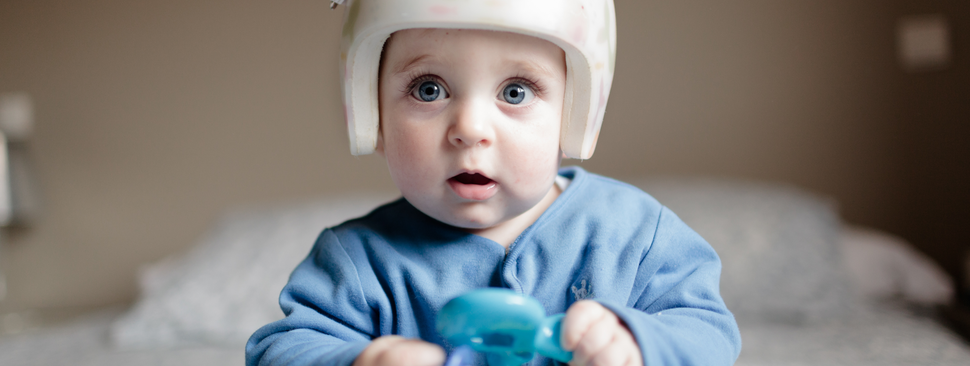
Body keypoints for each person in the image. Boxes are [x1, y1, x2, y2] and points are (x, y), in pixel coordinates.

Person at [246, 0, 741, 365]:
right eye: (429, 89)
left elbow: (710, 333)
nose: (470, 129)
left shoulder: (634, 234)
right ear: (372, 117)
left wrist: (637, 343)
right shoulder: (355, 261)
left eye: (516, 91)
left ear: (575, 116)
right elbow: (279, 350)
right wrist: (362, 360)